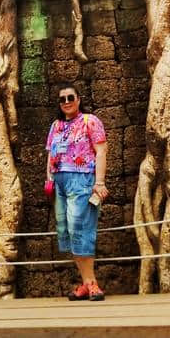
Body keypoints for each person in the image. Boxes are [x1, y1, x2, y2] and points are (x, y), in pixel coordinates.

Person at [46, 83, 108, 301]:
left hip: (82, 180)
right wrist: (49, 178)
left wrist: (99, 183)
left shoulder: (90, 121)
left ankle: (91, 283)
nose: (66, 102)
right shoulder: (56, 125)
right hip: (60, 182)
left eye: (70, 97)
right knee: (67, 231)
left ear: (78, 99)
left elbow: (101, 152)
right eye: (62, 99)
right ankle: (85, 282)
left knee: (80, 227)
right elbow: (50, 153)